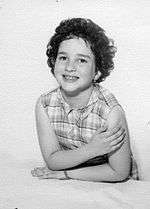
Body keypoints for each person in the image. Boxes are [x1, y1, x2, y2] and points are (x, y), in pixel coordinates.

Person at [31, 18, 138, 182]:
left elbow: (119, 172)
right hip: (75, 184)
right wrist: (91, 149)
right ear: (53, 62)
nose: (70, 67)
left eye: (81, 60)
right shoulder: (45, 104)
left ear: (97, 71)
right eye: (63, 58)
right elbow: (52, 160)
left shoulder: (110, 112)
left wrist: (66, 174)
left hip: (114, 186)